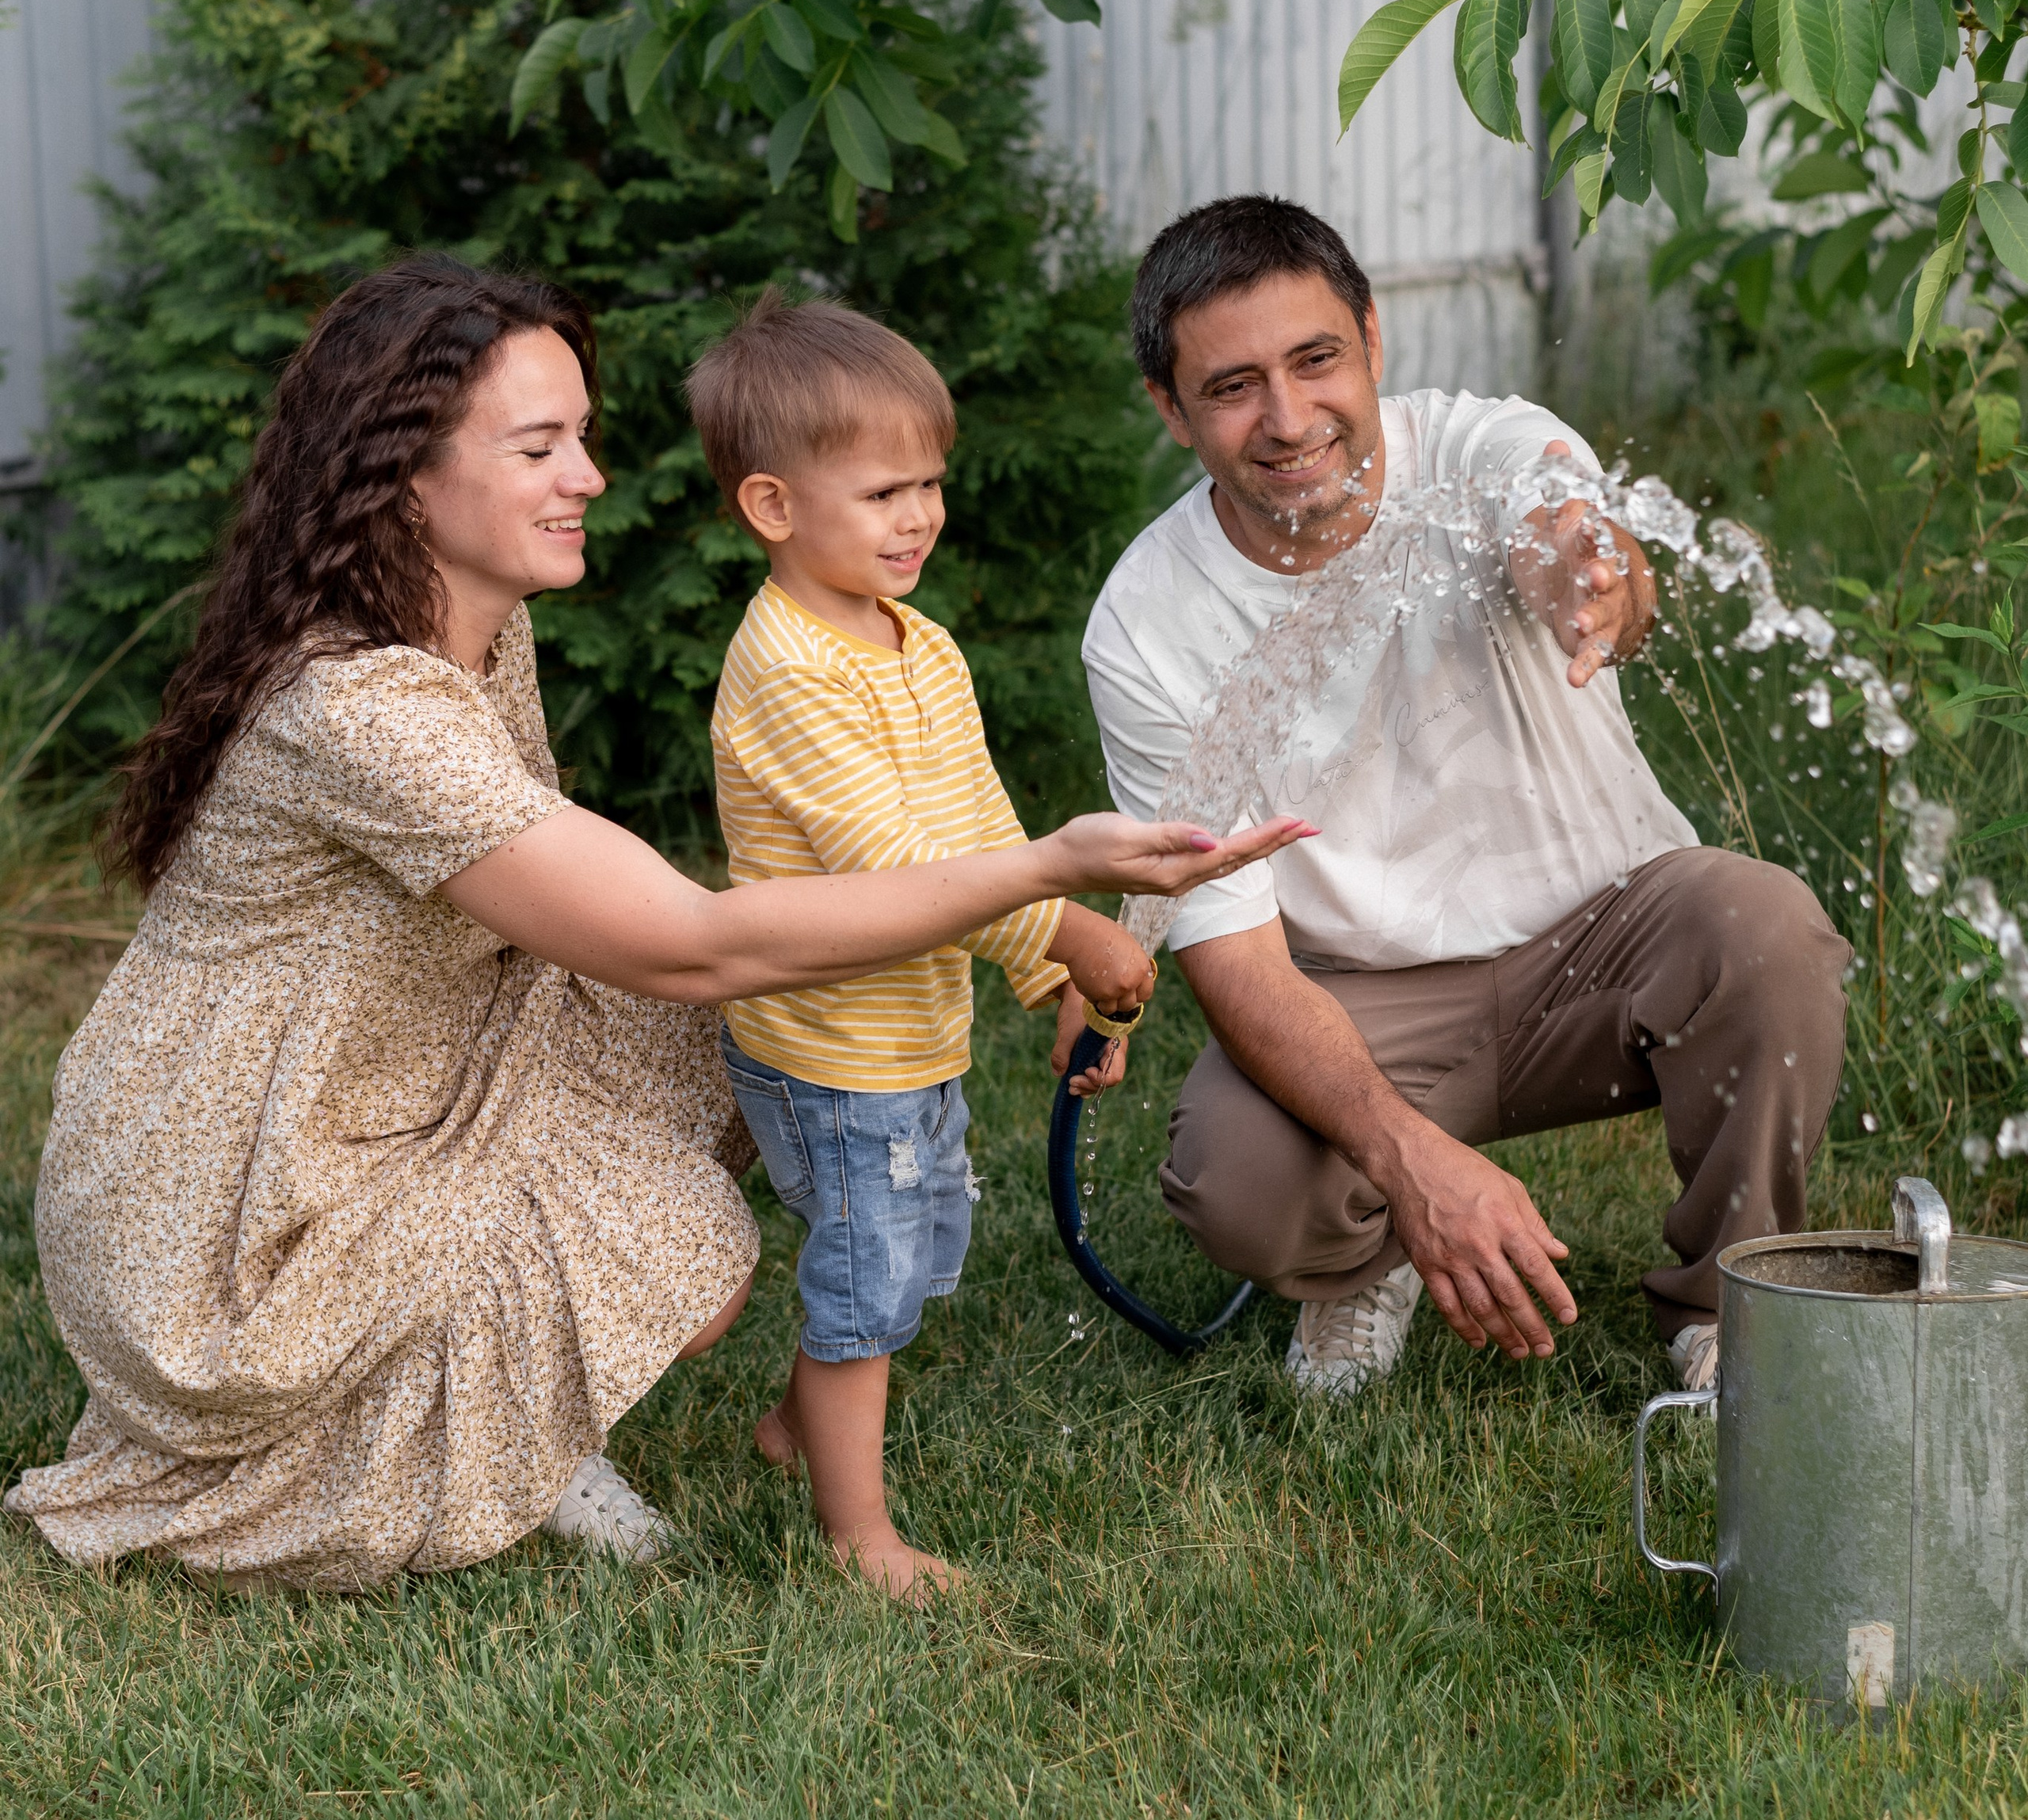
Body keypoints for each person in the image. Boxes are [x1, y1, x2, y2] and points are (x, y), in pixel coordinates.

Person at [5, 260, 1302, 1593]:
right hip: (236, 1191)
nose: (589, 478)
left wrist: (1044, 934)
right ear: (402, 471)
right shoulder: (363, 709)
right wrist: (1049, 876)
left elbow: (694, 930)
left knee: (736, 1036)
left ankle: (498, 1389)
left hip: (385, 1074)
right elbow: (693, 940)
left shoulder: (476, 635)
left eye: (584, 438)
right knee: (699, 1206)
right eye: (538, 446)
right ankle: (467, 1429)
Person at [1081, 196, 1850, 1406]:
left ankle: (1728, 1308)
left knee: (1767, 929)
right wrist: (1413, 1163)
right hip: (1367, 1001)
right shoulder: (1145, 623)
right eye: (1232, 386)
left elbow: (1565, 526)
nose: (1289, 419)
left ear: (1374, 340)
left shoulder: (1484, 446)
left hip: (1609, 945)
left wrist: (1591, 579)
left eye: (1317, 359)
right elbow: (1235, 966)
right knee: (1234, 1172)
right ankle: (1369, 1258)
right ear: (1169, 409)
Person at [690, 291, 1160, 1599]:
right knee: (864, 1274)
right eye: (885, 489)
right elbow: (895, 868)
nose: (920, 516)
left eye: (931, 484)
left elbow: (978, 825)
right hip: (834, 1050)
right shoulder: (786, 671)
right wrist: (1066, 916)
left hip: (907, 1035)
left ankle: (793, 1433)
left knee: (904, 1243)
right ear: (775, 508)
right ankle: (859, 1539)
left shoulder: (916, 642)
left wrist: (1047, 965)